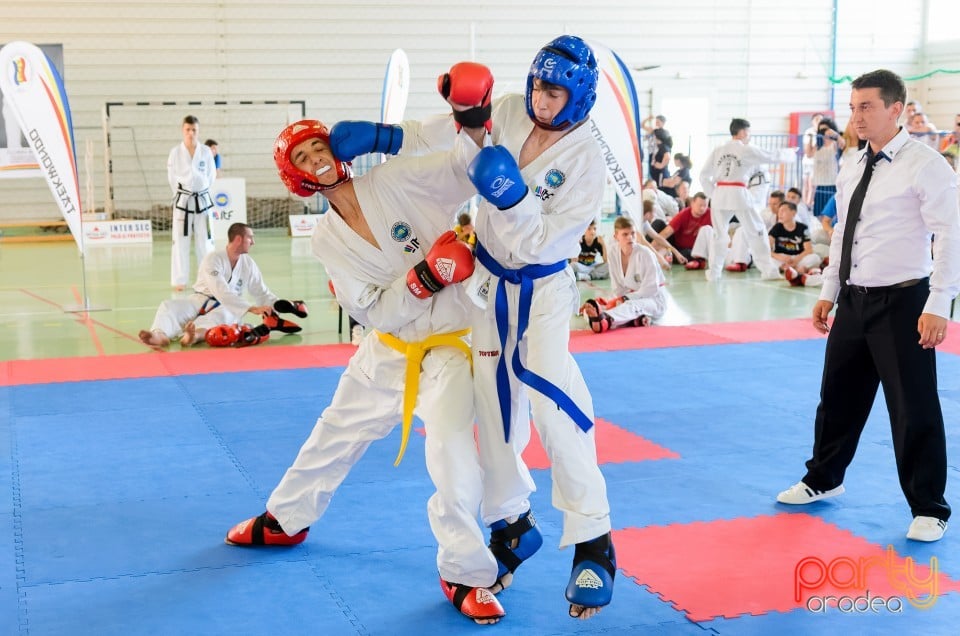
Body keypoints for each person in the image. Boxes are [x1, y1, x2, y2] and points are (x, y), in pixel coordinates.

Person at [362, 37, 616, 620]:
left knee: (553, 401)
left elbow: (541, 239)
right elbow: (444, 141)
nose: (539, 100)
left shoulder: (585, 161)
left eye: (552, 92)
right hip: (489, 286)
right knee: (496, 410)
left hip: (545, 291)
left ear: (577, 95)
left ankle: (594, 537)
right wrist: (386, 136)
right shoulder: (508, 110)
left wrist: (512, 194)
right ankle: (514, 523)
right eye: (535, 87)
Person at [225, 118, 508, 625]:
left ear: (338, 150)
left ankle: (464, 572)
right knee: (334, 432)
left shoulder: (396, 179)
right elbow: (372, 311)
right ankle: (287, 519)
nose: (316, 158)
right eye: (304, 157)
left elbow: (462, 165)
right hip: (386, 348)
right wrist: (425, 277)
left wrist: (466, 116)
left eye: (319, 147)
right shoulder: (326, 240)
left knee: (450, 451)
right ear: (298, 177)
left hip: (448, 348)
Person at [776, 69, 960, 543]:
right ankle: (823, 477)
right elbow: (843, 233)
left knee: (912, 406)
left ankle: (929, 507)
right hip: (854, 301)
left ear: (895, 110)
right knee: (837, 395)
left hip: (905, 301)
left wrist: (940, 303)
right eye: (853, 107)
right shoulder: (852, 163)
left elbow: (951, 238)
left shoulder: (927, 165)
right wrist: (827, 291)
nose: (856, 116)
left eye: (866, 107)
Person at [138, 223, 303, 350]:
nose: (253, 242)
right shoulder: (213, 259)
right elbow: (221, 291)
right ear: (238, 239)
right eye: (250, 237)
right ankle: (159, 335)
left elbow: (261, 291)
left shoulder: (248, 263)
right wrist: (252, 309)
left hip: (228, 308)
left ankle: (192, 337)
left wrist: (279, 304)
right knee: (169, 306)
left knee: (222, 317)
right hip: (200, 299)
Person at [699, 118, 797, 282]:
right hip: (738, 193)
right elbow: (770, 156)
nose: (749, 136)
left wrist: (713, 193)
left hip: (719, 194)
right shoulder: (745, 150)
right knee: (756, 230)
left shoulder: (718, 150)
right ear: (743, 132)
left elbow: (703, 175)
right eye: (748, 132)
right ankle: (768, 271)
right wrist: (791, 153)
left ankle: (714, 273)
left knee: (719, 235)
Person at [581, 216, 666, 332]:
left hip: (653, 300)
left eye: (633, 233)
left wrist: (625, 298)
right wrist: (613, 301)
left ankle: (606, 320)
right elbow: (618, 289)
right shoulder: (613, 254)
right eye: (625, 234)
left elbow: (650, 289)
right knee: (598, 305)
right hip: (628, 298)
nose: (630, 238)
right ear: (616, 236)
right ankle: (636, 320)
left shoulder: (646, 254)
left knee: (632, 306)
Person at [167, 115, 216, 291]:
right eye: (187, 130)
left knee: (205, 241)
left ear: (198, 131)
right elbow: (172, 178)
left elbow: (211, 176)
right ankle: (179, 280)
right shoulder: (175, 153)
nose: (191, 133)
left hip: (202, 200)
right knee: (180, 241)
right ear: (183, 130)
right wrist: (182, 194)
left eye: (194, 130)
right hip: (183, 201)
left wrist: (201, 191)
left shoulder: (206, 152)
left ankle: (208, 279)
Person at [658, 192, 713, 270]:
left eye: (705, 206)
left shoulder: (711, 214)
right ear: (692, 203)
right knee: (658, 224)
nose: (702, 208)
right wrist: (651, 248)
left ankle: (699, 260)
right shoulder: (684, 214)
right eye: (700, 205)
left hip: (697, 250)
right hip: (679, 247)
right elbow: (666, 233)